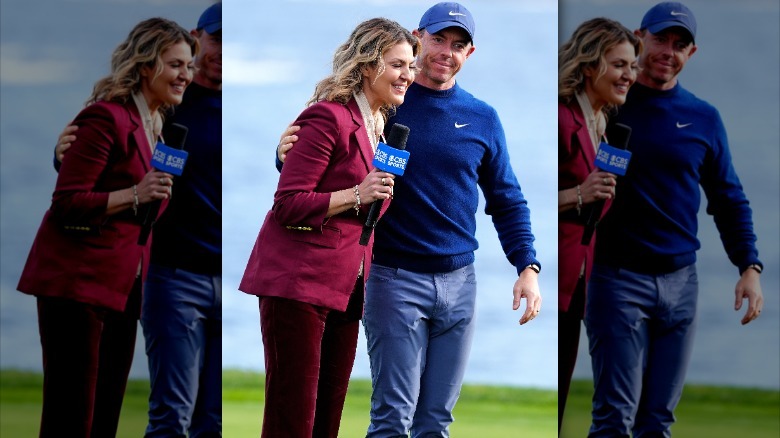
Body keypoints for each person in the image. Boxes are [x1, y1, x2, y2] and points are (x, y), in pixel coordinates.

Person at [275, 3, 542, 435]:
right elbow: (325, 156)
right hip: (392, 277)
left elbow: (507, 199)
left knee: (436, 421)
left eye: (458, 46)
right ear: (419, 39)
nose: (446, 52)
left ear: (469, 54)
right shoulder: (388, 102)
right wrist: (282, 153)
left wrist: (527, 266)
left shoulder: (483, 118)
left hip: (461, 283)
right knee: (392, 418)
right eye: (438, 40)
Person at [584, 3, 764, 437]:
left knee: (658, 422)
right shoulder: (610, 107)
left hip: (682, 283)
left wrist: (749, 267)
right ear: (639, 37)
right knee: (614, 418)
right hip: (616, 279)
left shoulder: (704, 117)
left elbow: (728, 197)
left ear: (692, 52)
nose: (668, 51)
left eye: (679, 45)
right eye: (661, 39)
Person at [17, 18, 197, 437]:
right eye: (175, 65)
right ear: (145, 65)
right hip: (77, 287)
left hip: (123, 289)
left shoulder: (160, 130)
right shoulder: (105, 118)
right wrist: (135, 193)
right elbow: (66, 204)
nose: (185, 75)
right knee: (71, 415)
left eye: (188, 66)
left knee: (104, 417)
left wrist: (146, 196)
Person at [239, 17, 418, 437]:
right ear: (368, 65)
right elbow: (288, 204)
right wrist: (358, 193)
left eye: (411, 66)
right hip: (298, 287)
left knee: (326, 423)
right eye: (397, 65)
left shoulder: (383, 131)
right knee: (292, 421)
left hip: (346, 290)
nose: (407, 75)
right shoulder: (327, 117)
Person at [54, 4, 222, 436]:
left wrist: (280, 152)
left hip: (221, 275)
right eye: (218, 38)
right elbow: (90, 162)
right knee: (171, 415)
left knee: (212, 420)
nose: (223, 51)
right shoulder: (164, 102)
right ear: (198, 35)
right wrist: (60, 155)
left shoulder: (235, 105)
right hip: (167, 273)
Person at [557, 17, 641, 434]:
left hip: (582, 284)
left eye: (633, 66)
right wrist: (578, 194)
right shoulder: (559, 116)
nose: (630, 75)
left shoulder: (603, 123)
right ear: (590, 65)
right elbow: (521, 201)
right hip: (554, 281)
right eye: (620, 65)